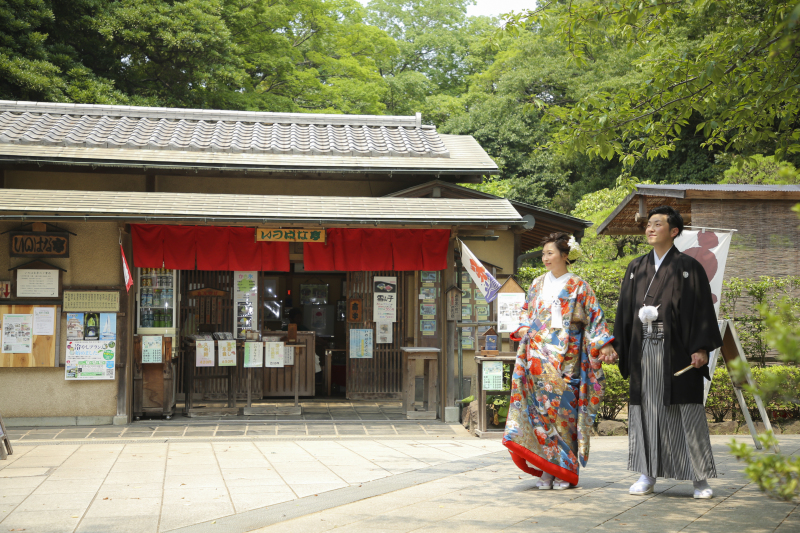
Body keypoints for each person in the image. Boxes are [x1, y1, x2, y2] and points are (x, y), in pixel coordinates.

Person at [613, 206, 722, 499]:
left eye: (657, 224)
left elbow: (701, 310)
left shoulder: (689, 267)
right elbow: (624, 311)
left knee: (687, 411)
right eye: (648, 224)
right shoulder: (636, 268)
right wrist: (617, 347)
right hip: (644, 348)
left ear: (673, 231)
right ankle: (647, 474)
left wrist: (700, 348)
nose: (650, 229)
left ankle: (699, 478)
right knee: (646, 412)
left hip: (678, 352)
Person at [504, 232, 616, 490]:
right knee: (540, 412)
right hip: (537, 356)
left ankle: (564, 470)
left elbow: (595, 318)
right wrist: (522, 328)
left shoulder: (580, 285)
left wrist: (604, 343)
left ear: (565, 256)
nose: (545, 258)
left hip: (568, 356)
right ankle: (546, 469)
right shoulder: (536, 284)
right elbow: (526, 313)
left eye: (550, 253)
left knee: (563, 413)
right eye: (543, 253)